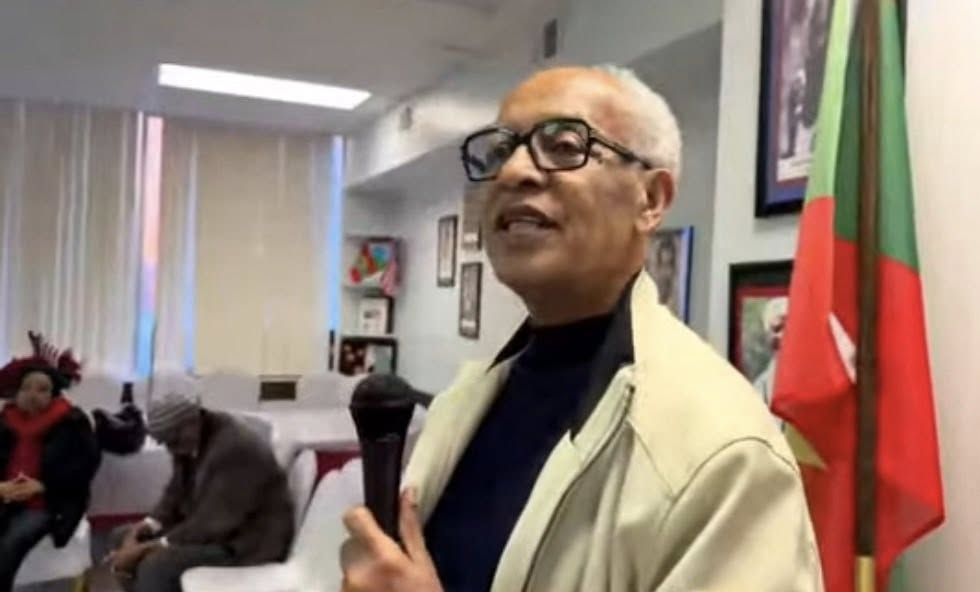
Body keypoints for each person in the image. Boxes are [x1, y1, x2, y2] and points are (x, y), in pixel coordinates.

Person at [339, 65, 823, 591]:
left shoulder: (722, 451)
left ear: (651, 199)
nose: (513, 171)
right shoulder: (464, 401)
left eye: (564, 145)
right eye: (500, 151)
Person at [108, 393, 294, 592]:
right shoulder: (190, 440)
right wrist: (144, 526)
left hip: (246, 541)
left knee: (155, 566)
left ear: (192, 421)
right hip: (210, 526)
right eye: (166, 443)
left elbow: (213, 524)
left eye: (174, 440)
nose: (172, 449)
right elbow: (175, 492)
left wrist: (145, 548)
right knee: (121, 537)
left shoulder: (233, 449)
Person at [0, 332, 101, 591]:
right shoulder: (5, 420)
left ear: (54, 394)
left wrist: (43, 485)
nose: (32, 395)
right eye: (26, 388)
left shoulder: (73, 422)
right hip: (6, 495)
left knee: (12, 541)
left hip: (48, 502)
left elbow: (84, 468)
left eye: (41, 389)